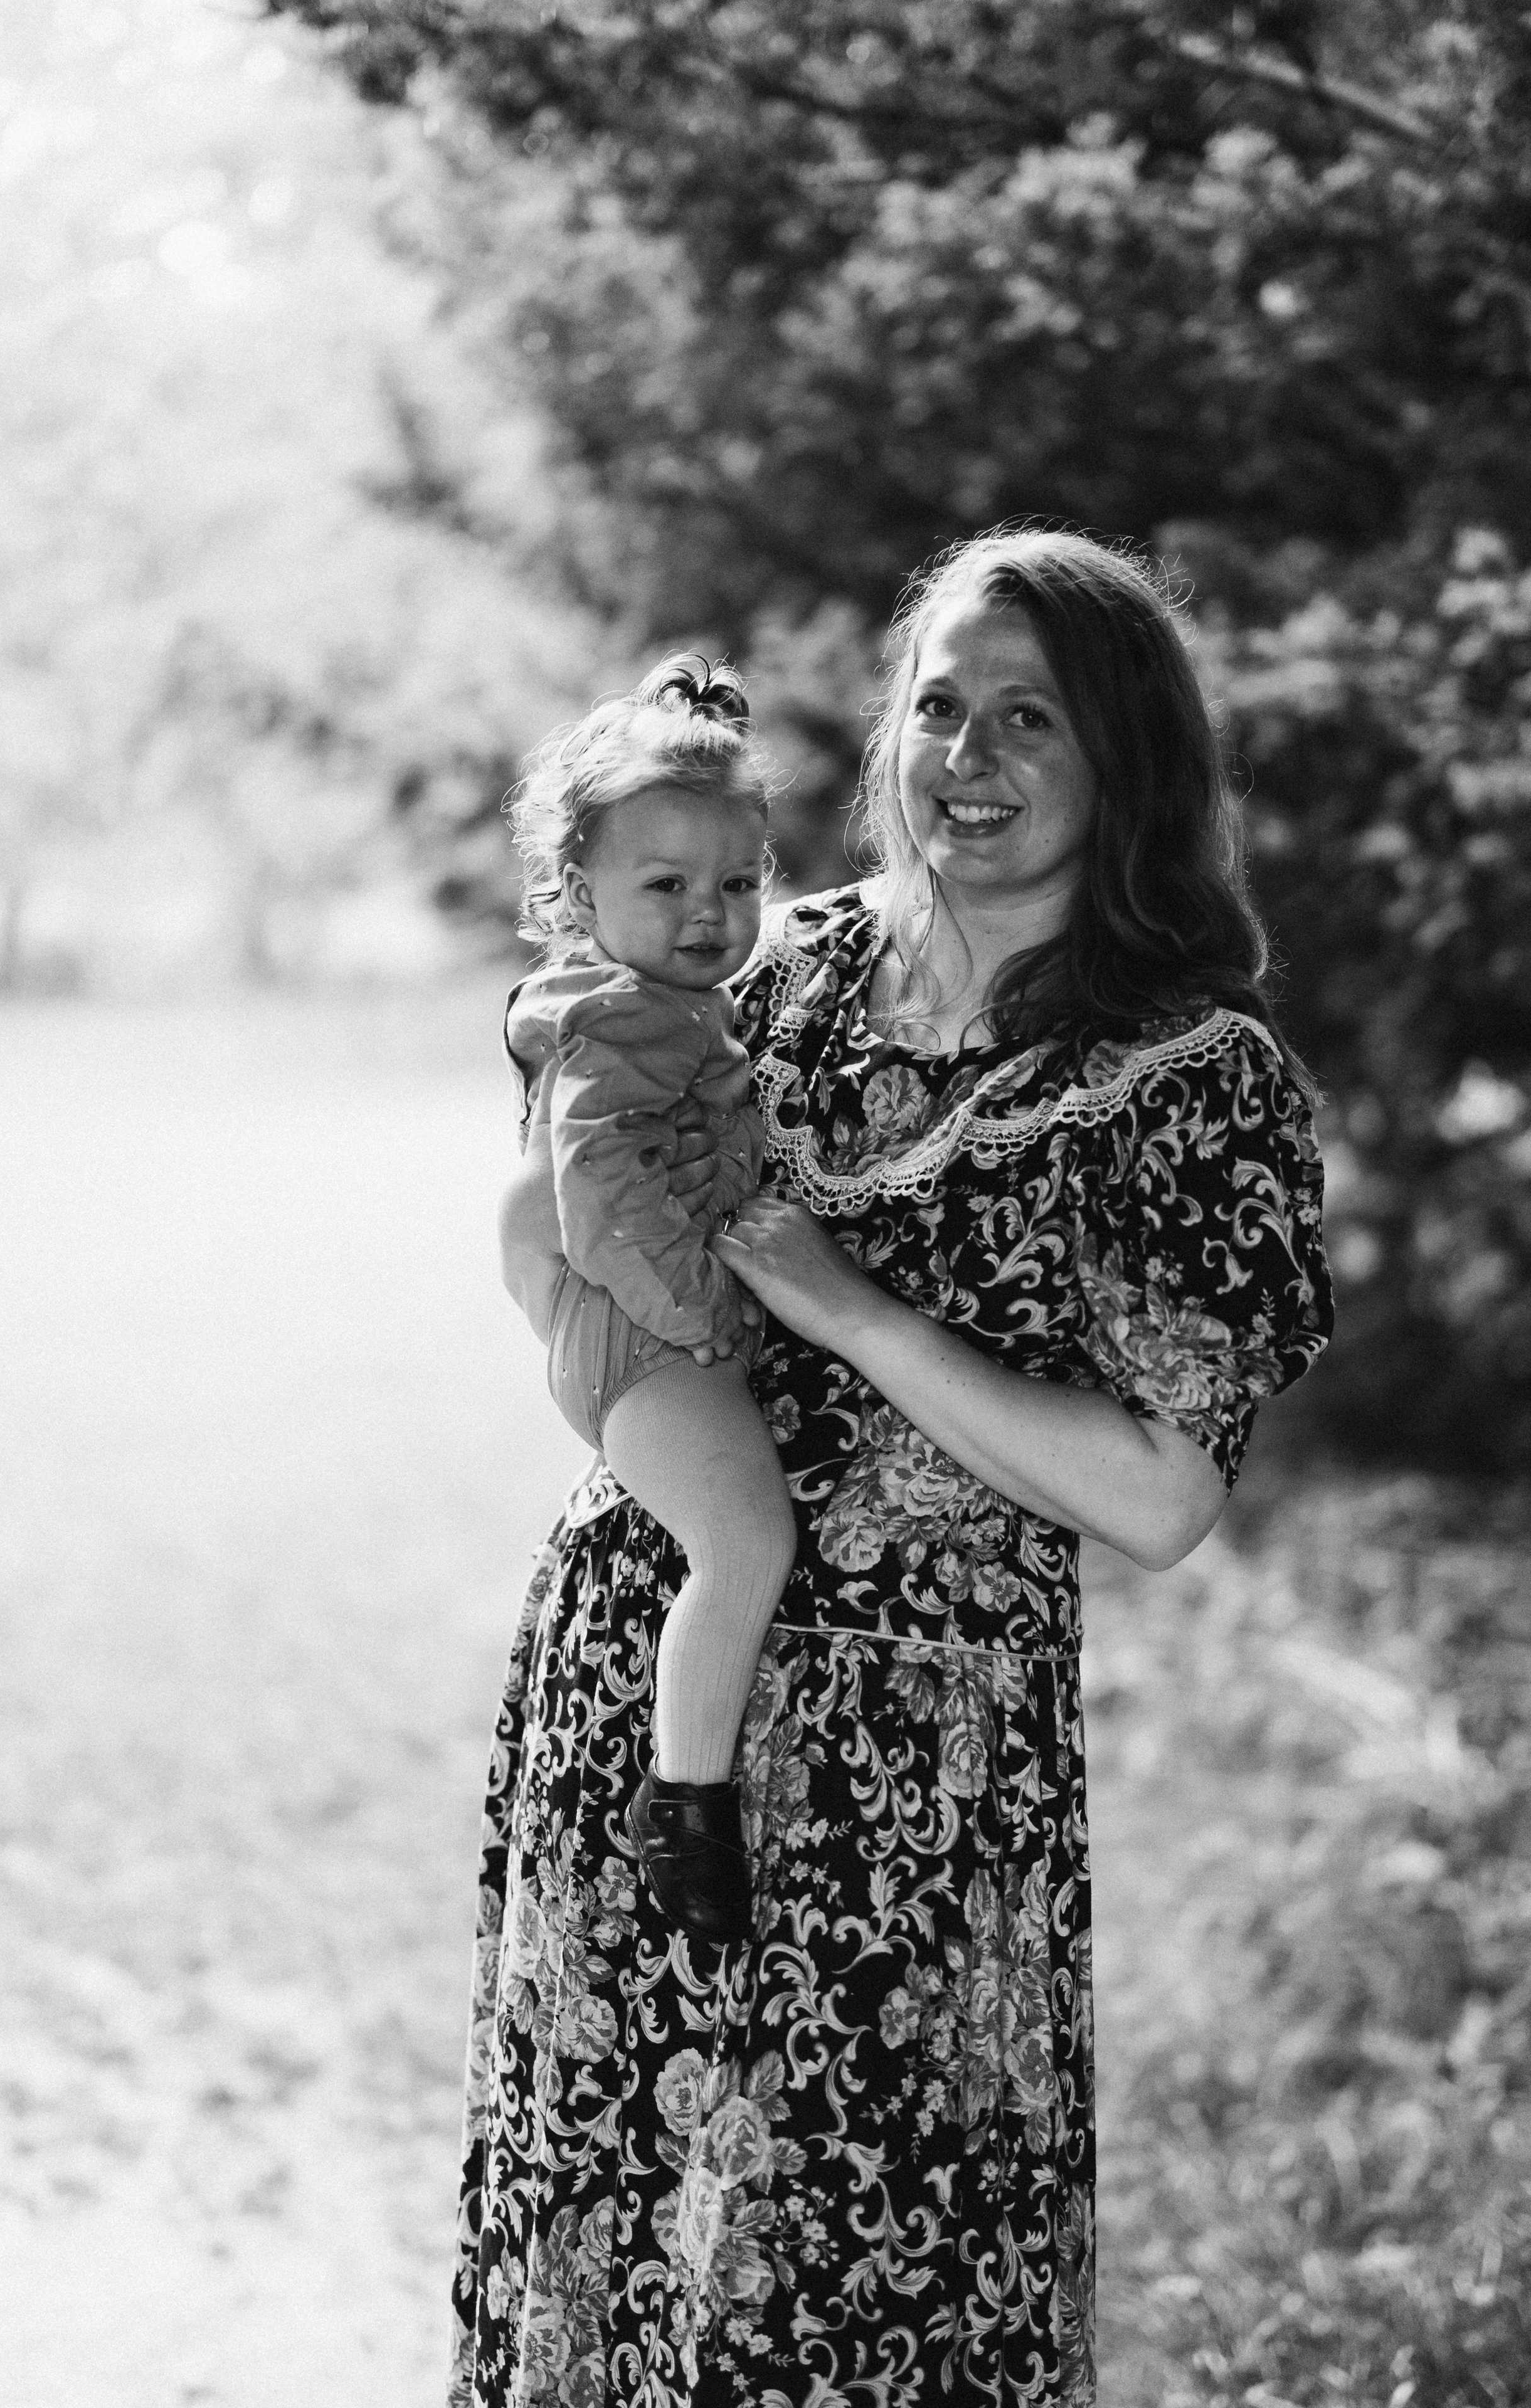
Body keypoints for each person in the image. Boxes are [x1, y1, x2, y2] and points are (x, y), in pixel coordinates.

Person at [451, 528, 1333, 2408]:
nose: (969, 756)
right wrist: (559, 1278)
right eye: (940, 706)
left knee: (870, 2294)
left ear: (1124, 758)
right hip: (649, 1697)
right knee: (618, 2252)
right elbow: (560, 1182)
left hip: (918, 1780)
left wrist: (856, 1316)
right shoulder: (764, 968)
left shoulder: (1189, 1076)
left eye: (1031, 717)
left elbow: (1162, 1498)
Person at [497, 655, 797, 1945]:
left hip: (636, 1326)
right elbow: (598, 1192)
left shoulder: (666, 1006)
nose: (707, 915)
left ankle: (689, 1788)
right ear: (581, 894)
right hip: (644, 1333)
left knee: (737, 1535)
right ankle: (687, 1805)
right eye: (665, 886)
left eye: (736, 884)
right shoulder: (624, 1020)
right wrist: (705, 1315)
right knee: (746, 1541)